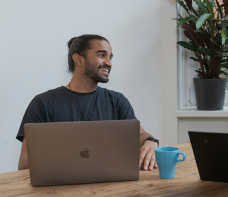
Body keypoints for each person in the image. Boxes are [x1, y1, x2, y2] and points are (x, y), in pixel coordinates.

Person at [17, 34, 159, 171]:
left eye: (110, 57)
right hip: (58, 190)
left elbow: (140, 135)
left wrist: (151, 142)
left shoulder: (117, 101)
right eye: (101, 55)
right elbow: (24, 162)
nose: (109, 63)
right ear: (78, 59)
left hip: (108, 187)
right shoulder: (43, 103)